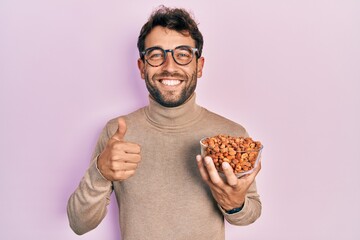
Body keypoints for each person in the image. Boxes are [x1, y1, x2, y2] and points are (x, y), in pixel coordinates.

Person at [67, 6, 261, 240]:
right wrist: (100, 172)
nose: (169, 67)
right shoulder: (117, 133)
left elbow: (249, 213)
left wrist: (235, 204)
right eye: (156, 55)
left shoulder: (230, 134)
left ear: (199, 66)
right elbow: (79, 223)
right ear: (142, 67)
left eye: (183, 54)